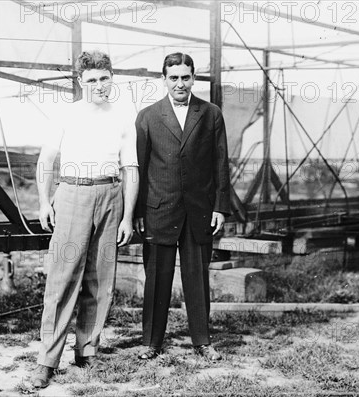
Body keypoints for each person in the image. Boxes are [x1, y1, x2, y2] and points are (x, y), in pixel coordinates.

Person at [30, 50, 139, 389]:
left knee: (100, 280)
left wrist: (128, 217)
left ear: (112, 78)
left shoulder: (124, 115)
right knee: (62, 281)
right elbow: (46, 159)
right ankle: (47, 359)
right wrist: (44, 202)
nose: (99, 85)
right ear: (80, 82)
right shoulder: (68, 114)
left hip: (110, 196)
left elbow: (130, 168)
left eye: (105, 78)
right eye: (92, 80)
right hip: (72, 194)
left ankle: (87, 350)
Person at [134, 52, 230, 361]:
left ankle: (202, 341)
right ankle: (151, 343)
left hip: (199, 211)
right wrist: (137, 212)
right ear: (164, 79)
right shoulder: (148, 117)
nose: (180, 83)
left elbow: (221, 163)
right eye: (173, 77)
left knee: (197, 278)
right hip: (159, 209)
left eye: (185, 77)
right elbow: (139, 165)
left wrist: (220, 207)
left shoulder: (211, 113)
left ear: (193, 78)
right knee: (157, 279)